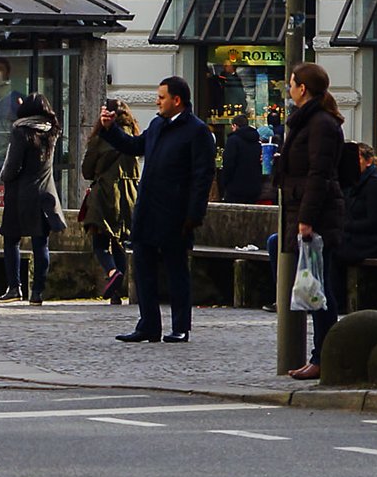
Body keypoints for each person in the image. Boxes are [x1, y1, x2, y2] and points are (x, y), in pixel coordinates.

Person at [98, 76, 213, 344]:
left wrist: (194, 215)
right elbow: (135, 146)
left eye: (161, 97)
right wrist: (110, 128)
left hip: (176, 213)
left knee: (176, 271)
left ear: (177, 100)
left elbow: (202, 177)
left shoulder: (197, 131)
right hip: (148, 209)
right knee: (143, 269)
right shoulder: (158, 124)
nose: (157, 102)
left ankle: (180, 327)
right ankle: (148, 325)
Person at [273, 62, 347, 381]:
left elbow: (319, 173)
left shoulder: (320, 123)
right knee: (315, 286)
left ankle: (324, 355)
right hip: (303, 207)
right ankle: (321, 355)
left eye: (291, 84)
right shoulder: (307, 120)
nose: (289, 90)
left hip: (317, 215)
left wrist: (306, 218)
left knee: (319, 289)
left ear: (303, 88)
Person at [0, 94, 65, 306]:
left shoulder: (21, 132)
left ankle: (14, 288)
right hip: (44, 193)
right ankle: (37, 292)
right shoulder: (52, 132)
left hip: (20, 194)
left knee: (11, 239)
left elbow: (13, 165)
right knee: (41, 243)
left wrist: (4, 178)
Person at [79, 100, 139, 305]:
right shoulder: (133, 137)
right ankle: (116, 294)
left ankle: (112, 272)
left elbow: (87, 171)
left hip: (105, 193)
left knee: (100, 243)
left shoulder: (100, 139)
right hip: (129, 195)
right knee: (120, 242)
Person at [219, 114, 266, 204]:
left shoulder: (233, 140)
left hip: (235, 188)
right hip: (253, 188)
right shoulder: (256, 141)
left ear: (235, 126)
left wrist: (224, 183)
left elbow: (229, 164)